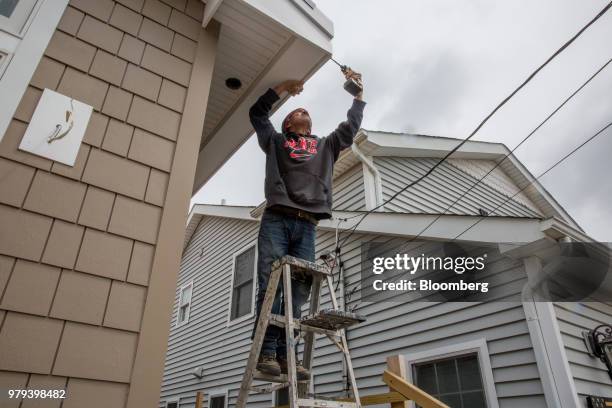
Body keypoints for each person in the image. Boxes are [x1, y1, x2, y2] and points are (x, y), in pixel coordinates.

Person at [249, 69, 365, 379]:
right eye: (299, 110)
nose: (306, 112)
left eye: (308, 113)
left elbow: (350, 127)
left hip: (307, 225)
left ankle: (288, 356)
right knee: (270, 287)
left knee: (298, 293)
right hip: (277, 218)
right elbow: (257, 113)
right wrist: (283, 87)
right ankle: (267, 353)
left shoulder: (325, 145)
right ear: (288, 123)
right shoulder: (275, 142)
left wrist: (358, 96)